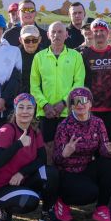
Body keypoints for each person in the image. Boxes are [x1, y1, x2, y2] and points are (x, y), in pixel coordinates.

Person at [0, 93, 60, 221]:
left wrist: (22, 173)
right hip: (1, 188)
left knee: (51, 173)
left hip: (21, 181)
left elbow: (42, 159)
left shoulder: (35, 131)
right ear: (15, 110)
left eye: (29, 107)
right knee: (30, 202)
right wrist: (19, 144)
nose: (25, 111)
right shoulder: (7, 131)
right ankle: (3, 210)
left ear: (34, 111)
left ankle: (46, 214)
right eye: (21, 107)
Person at [51, 88, 111, 221]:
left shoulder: (98, 123)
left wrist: (110, 150)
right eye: (75, 101)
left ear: (90, 104)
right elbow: (56, 159)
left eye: (83, 101)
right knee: (89, 193)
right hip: (67, 173)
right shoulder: (64, 126)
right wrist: (65, 153)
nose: (79, 105)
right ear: (71, 106)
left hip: (86, 168)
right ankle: (61, 200)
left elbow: (103, 151)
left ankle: (101, 208)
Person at [30, 22, 86, 151]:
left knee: (68, 148)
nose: (57, 35)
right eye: (53, 32)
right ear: (48, 35)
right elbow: (34, 86)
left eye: (60, 32)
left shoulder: (76, 56)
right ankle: (49, 171)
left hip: (68, 112)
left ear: (66, 35)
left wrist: (64, 103)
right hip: (45, 112)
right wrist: (44, 105)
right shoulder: (39, 57)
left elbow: (79, 84)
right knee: (47, 150)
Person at [81, 19, 111, 141]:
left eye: (102, 31)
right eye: (96, 31)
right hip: (91, 108)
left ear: (108, 33)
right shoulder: (85, 54)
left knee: (108, 142)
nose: (99, 34)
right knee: (91, 143)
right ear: (91, 34)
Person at [18, 25, 43, 94]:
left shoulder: (46, 55)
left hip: (41, 98)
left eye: (34, 40)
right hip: (20, 99)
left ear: (39, 39)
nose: (31, 43)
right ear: (20, 40)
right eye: (27, 40)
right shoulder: (14, 56)